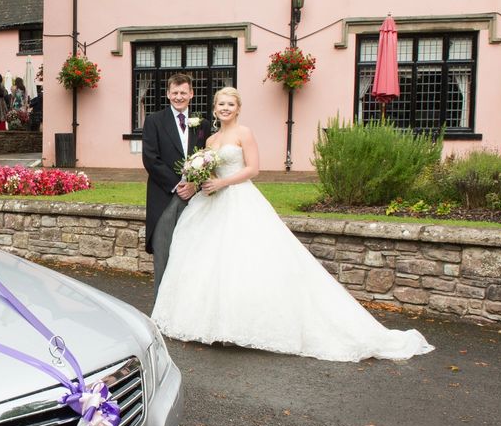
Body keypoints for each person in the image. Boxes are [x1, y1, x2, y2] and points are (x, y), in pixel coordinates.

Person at [151, 86, 434, 362]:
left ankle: (241, 325)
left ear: (238, 109)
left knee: (245, 260)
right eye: (221, 104)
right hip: (211, 204)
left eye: (230, 104)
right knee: (210, 262)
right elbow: (207, 169)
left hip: (238, 199)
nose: (225, 109)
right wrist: (201, 180)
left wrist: (222, 182)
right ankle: (210, 324)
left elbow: (253, 169)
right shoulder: (210, 141)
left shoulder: (244, 133)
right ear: (214, 109)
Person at [142, 72, 205, 294]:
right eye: (175, 92)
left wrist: (194, 185)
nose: (179, 96)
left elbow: (208, 158)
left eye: (183, 92)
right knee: (164, 252)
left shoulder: (202, 123)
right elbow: (151, 159)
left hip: (196, 200)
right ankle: (161, 306)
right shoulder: (154, 121)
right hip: (164, 197)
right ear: (168, 94)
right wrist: (179, 184)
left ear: (191, 94)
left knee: (192, 254)